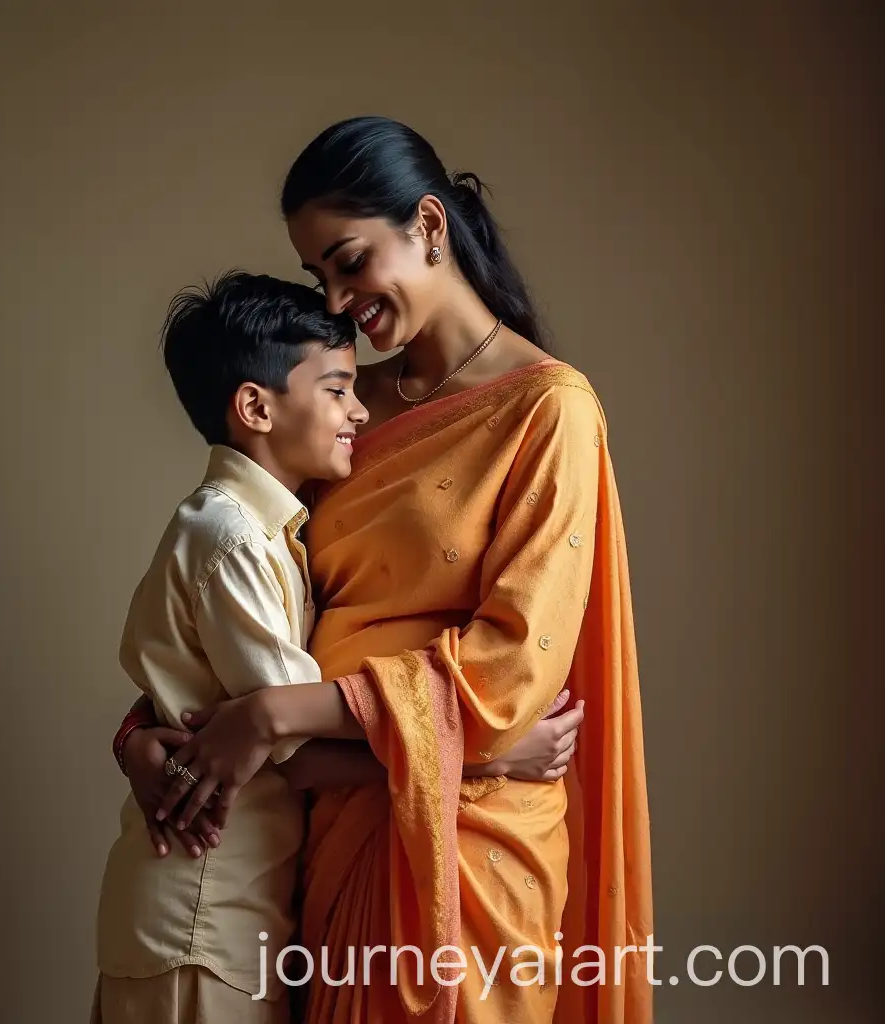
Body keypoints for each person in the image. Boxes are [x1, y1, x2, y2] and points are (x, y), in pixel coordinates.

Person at [122, 115, 652, 1023]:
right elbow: (237, 591)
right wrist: (144, 736)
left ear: (431, 227)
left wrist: (275, 714)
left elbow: (512, 666)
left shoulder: (548, 411)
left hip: (479, 834)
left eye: (349, 261)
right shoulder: (338, 411)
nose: (335, 302)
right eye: (319, 275)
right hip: (331, 823)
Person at [96, 269, 581, 1024]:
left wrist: (135, 738)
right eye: (337, 390)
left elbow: (201, 700)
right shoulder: (233, 541)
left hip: (243, 907)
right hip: (202, 910)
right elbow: (296, 742)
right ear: (255, 406)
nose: (360, 409)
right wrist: (487, 756)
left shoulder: (279, 529)